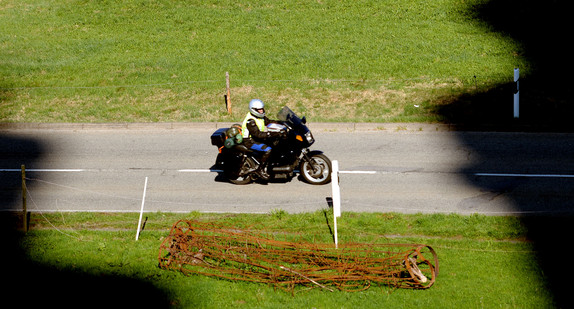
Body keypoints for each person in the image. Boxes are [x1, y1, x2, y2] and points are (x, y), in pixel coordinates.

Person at [241, 99, 282, 180]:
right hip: (250, 141)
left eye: (262, 109)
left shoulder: (260, 117)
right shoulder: (251, 121)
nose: (261, 111)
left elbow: (269, 122)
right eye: (259, 109)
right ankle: (260, 169)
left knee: (276, 142)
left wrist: (282, 122)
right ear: (253, 110)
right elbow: (258, 134)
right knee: (268, 150)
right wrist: (272, 134)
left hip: (256, 139)